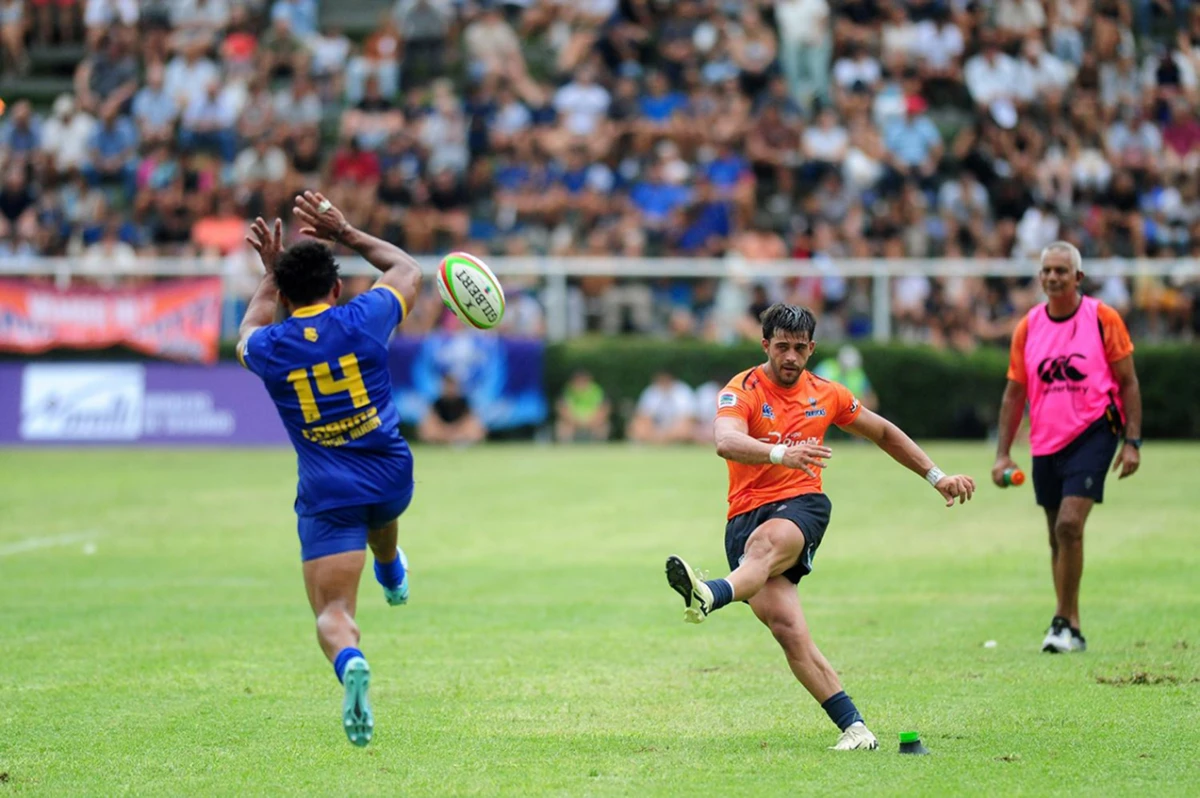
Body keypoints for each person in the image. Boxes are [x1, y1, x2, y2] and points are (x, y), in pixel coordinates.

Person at [663, 304, 976, 751]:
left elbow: (883, 433)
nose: (790, 357)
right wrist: (779, 454)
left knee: (765, 544)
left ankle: (709, 593)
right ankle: (856, 728)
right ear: (765, 344)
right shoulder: (743, 388)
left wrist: (936, 476)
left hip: (802, 506)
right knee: (789, 631)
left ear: (811, 348)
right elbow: (725, 441)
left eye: (799, 348)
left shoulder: (827, 393)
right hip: (743, 515)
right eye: (782, 347)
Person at [236, 191, 421, 747]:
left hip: (328, 492)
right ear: (337, 288)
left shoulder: (270, 348)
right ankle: (390, 567)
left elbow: (245, 332)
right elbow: (407, 268)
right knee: (381, 516)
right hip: (391, 473)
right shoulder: (365, 318)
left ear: (288, 299)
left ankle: (352, 661)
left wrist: (270, 277)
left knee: (333, 610)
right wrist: (344, 231)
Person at [992, 241, 1142, 654]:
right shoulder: (1029, 326)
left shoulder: (1102, 318)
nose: (1053, 277)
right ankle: (1070, 623)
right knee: (1057, 536)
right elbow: (1014, 392)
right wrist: (1002, 453)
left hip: (1096, 431)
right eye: (1047, 271)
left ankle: (1063, 621)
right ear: (1040, 278)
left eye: (1062, 270)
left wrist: (1131, 441)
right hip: (1046, 439)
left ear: (1078, 278)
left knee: (1069, 525)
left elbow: (1128, 381)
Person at [627, 370, 697, 444]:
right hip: (655, 428)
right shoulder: (650, 391)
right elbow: (644, 415)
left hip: (675, 427)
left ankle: (665, 441)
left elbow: (688, 417)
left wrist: (668, 431)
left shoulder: (683, 391)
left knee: (685, 428)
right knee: (637, 426)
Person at [418, 374, 487, 445]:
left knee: (475, 428)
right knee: (428, 429)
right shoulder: (437, 403)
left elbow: (470, 420)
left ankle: (458, 441)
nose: (450, 389)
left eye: (452, 386)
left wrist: (455, 429)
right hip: (442, 431)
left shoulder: (464, 402)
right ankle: (448, 441)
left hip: (460, 430)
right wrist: (446, 430)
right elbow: (432, 420)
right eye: (448, 386)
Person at [813, 344, 878, 411]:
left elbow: (871, 400)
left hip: (850, 412)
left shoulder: (858, 373)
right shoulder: (826, 368)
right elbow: (813, 391)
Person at [555, 370, 611, 442]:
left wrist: (594, 419)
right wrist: (573, 420)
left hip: (593, 420)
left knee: (603, 426)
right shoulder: (568, 390)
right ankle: (565, 448)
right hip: (572, 420)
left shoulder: (597, 390)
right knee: (562, 426)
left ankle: (598, 447)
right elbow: (561, 408)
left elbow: (605, 408)